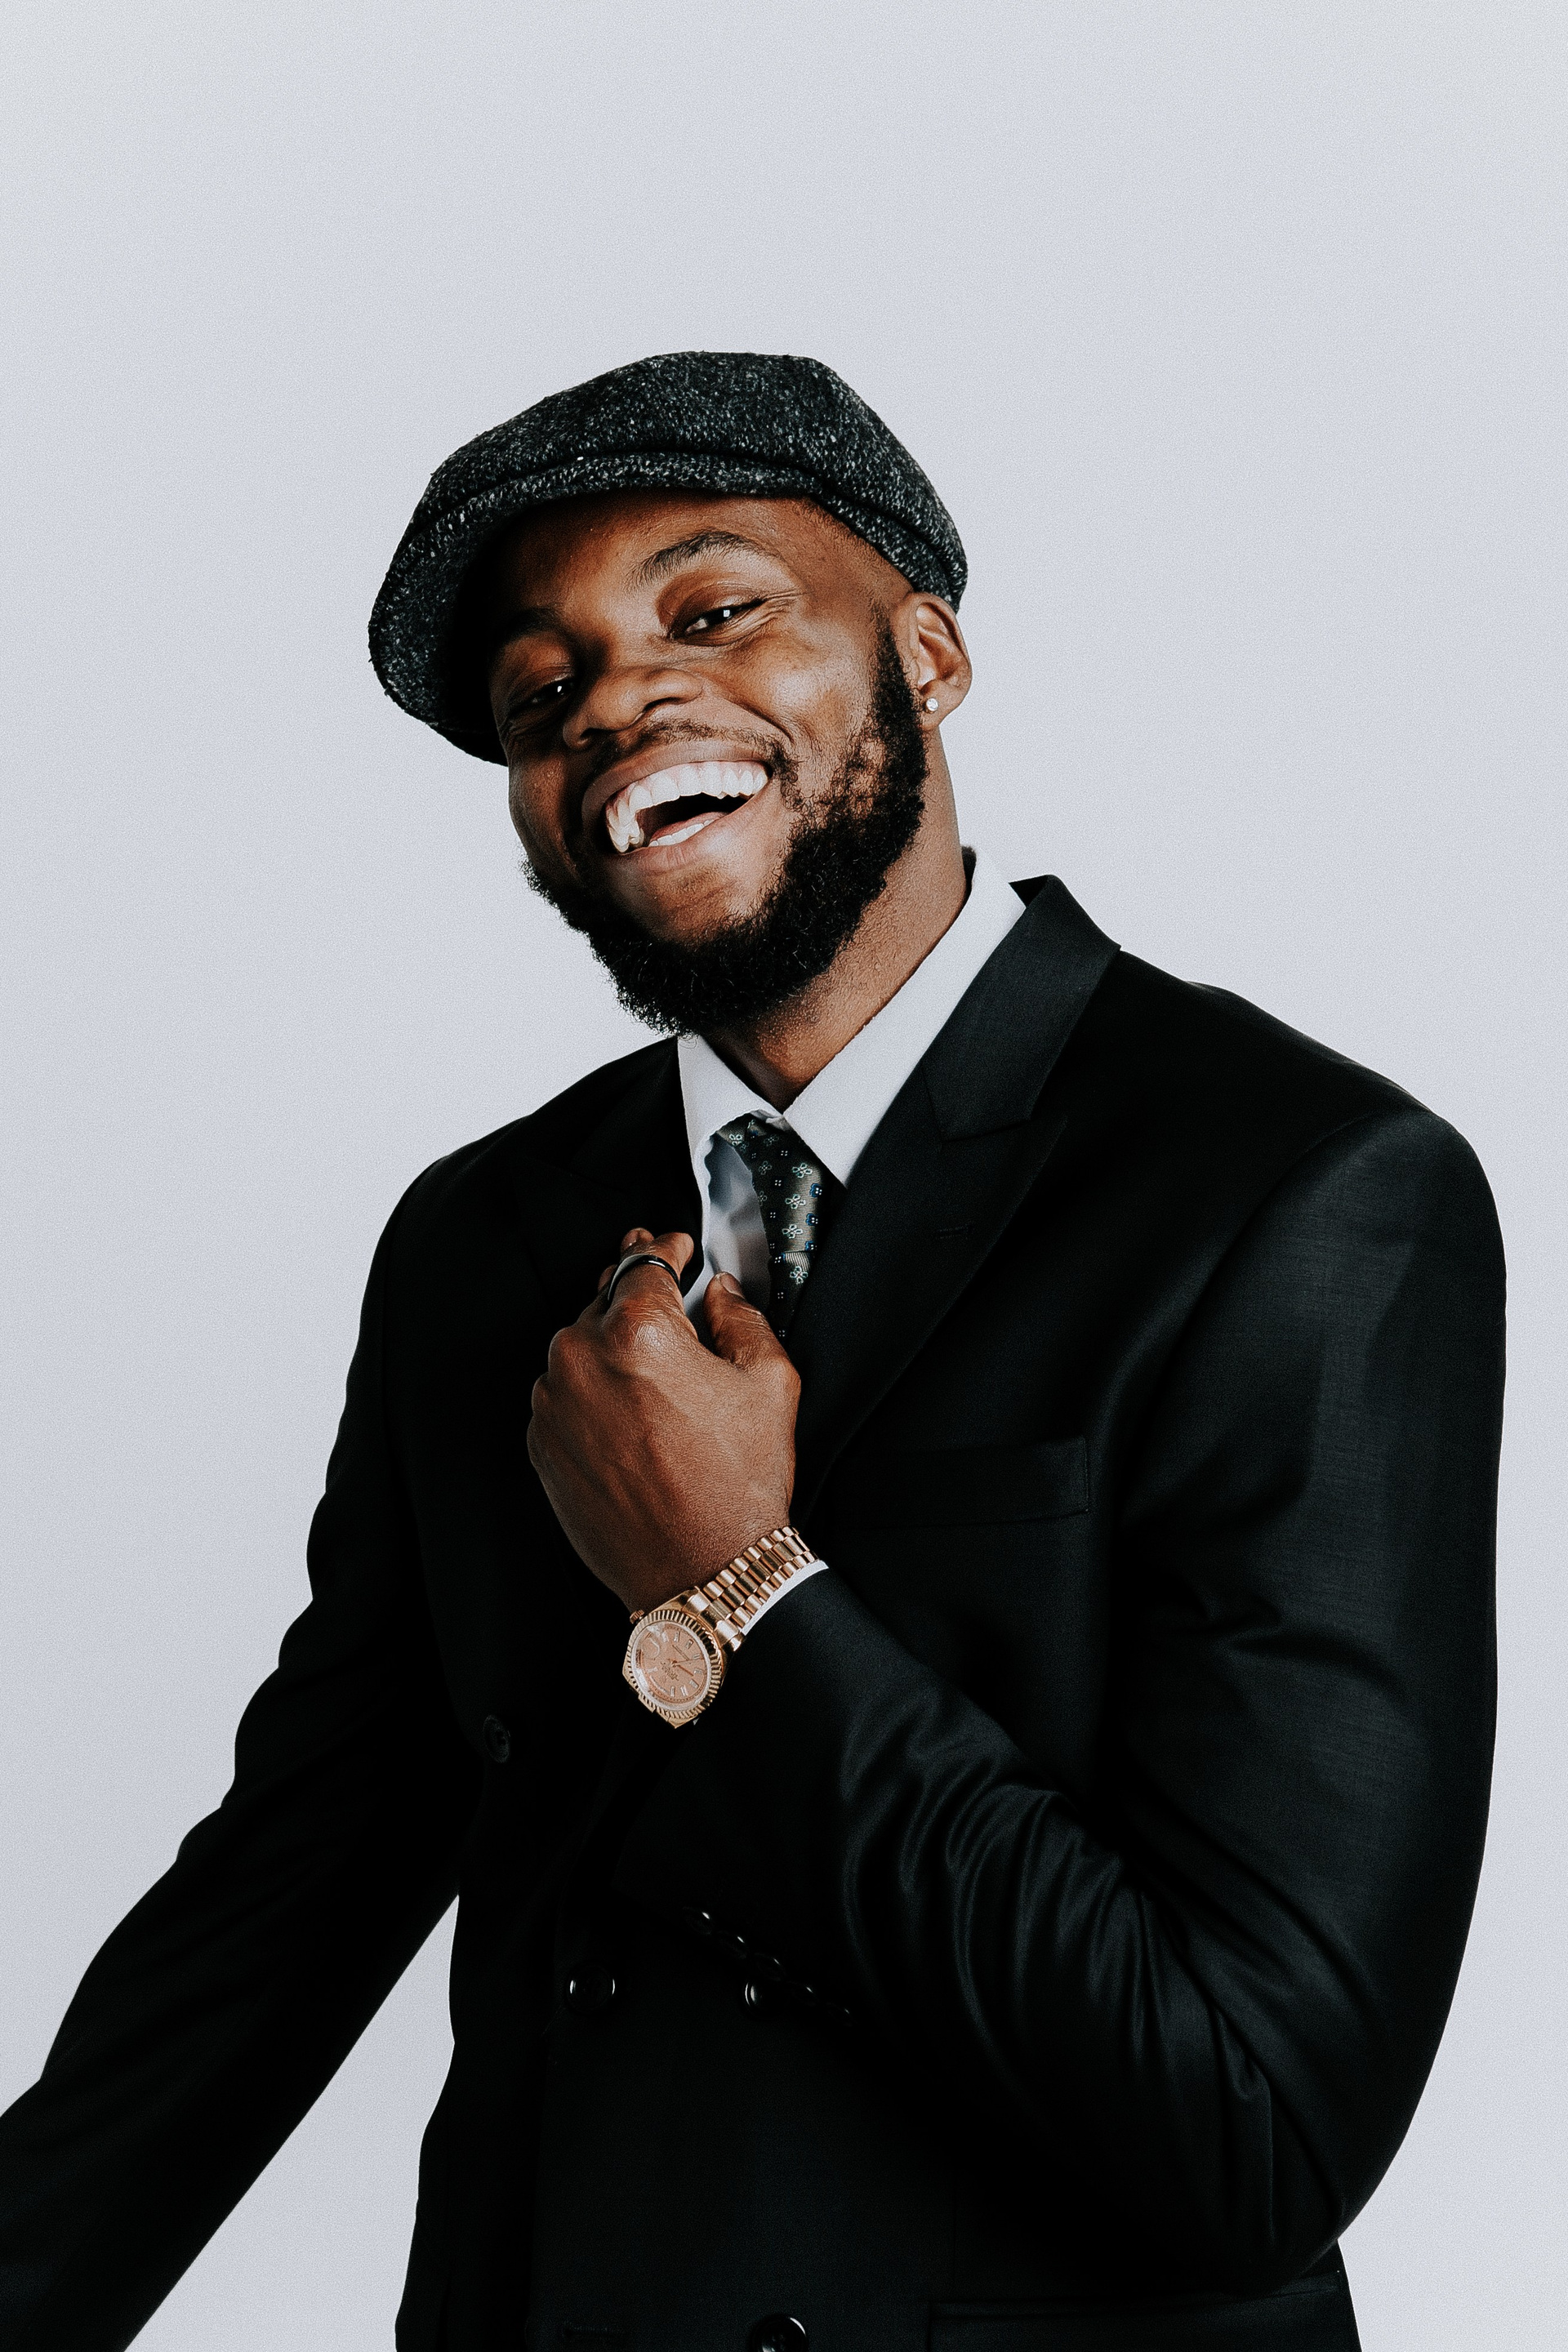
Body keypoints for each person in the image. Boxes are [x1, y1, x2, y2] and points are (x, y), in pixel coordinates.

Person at [0, 352, 1504, 2352]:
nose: (614, 703)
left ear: (927, 655)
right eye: (539, 694)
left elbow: (1255, 2120)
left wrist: (737, 1590)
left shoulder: (1296, 1193)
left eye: (713, 611)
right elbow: (279, 1913)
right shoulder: (480, 1241)